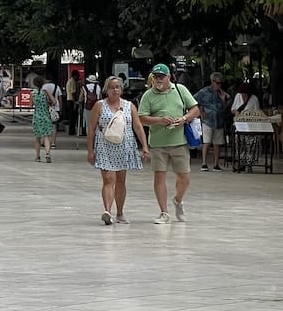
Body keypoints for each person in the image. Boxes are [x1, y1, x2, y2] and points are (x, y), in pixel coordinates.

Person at [137, 63, 199, 223]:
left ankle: (178, 200)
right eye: (155, 76)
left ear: (168, 77)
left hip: (179, 141)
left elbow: (195, 109)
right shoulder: (148, 95)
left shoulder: (180, 90)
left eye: (161, 76)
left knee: (184, 176)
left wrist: (183, 119)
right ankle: (164, 212)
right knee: (159, 177)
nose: (158, 79)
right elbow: (142, 118)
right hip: (158, 144)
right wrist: (159, 120)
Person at [86, 75, 150, 223]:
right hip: (105, 145)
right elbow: (91, 128)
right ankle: (107, 211)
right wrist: (90, 150)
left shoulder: (129, 106)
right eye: (111, 87)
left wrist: (145, 146)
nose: (115, 90)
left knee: (121, 180)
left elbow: (138, 126)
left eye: (117, 87)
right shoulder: (100, 105)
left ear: (121, 89)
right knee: (108, 179)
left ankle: (120, 212)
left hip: (124, 145)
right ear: (106, 90)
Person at [194, 72, 228, 171]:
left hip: (219, 120)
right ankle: (204, 163)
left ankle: (216, 164)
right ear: (213, 82)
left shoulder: (222, 93)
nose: (219, 85)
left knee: (217, 143)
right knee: (207, 142)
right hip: (208, 120)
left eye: (220, 83)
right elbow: (193, 100)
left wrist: (223, 100)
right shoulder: (204, 92)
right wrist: (201, 111)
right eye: (217, 83)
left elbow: (225, 108)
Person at [31, 76, 55, 162]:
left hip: (37, 117)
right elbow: (54, 102)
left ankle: (37, 157)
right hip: (46, 116)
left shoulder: (32, 93)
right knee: (46, 137)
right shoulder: (45, 92)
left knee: (37, 138)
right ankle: (48, 154)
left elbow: (31, 105)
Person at [43, 77, 62, 146]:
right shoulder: (57, 87)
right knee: (54, 126)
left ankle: (45, 142)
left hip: (46, 108)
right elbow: (60, 98)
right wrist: (60, 108)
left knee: (45, 126)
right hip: (55, 108)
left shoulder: (44, 87)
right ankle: (53, 142)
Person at [66, 70, 81, 135]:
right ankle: (71, 131)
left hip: (69, 99)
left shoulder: (70, 81)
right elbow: (73, 93)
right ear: (75, 75)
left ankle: (71, 130)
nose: (78, 77)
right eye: (77, 76)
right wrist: (75, 102)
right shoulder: (72, 82)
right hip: (71, 100)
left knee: (72, 116)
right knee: (73, 116)